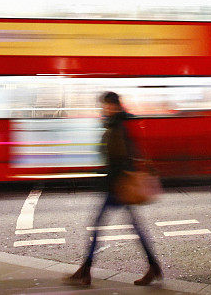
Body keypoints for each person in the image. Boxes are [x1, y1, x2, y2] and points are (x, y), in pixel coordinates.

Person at [65, 92, 161, 287]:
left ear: (116, 106)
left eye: (108, 105)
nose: (105, 108)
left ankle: (86, 270)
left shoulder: (118, 125)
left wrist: (118, 177)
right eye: (104, 105)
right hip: (117, 184)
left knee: (99, 227)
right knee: (132, 227)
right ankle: (153, 266)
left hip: (119, 185)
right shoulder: (113, 124)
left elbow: (122, 156)